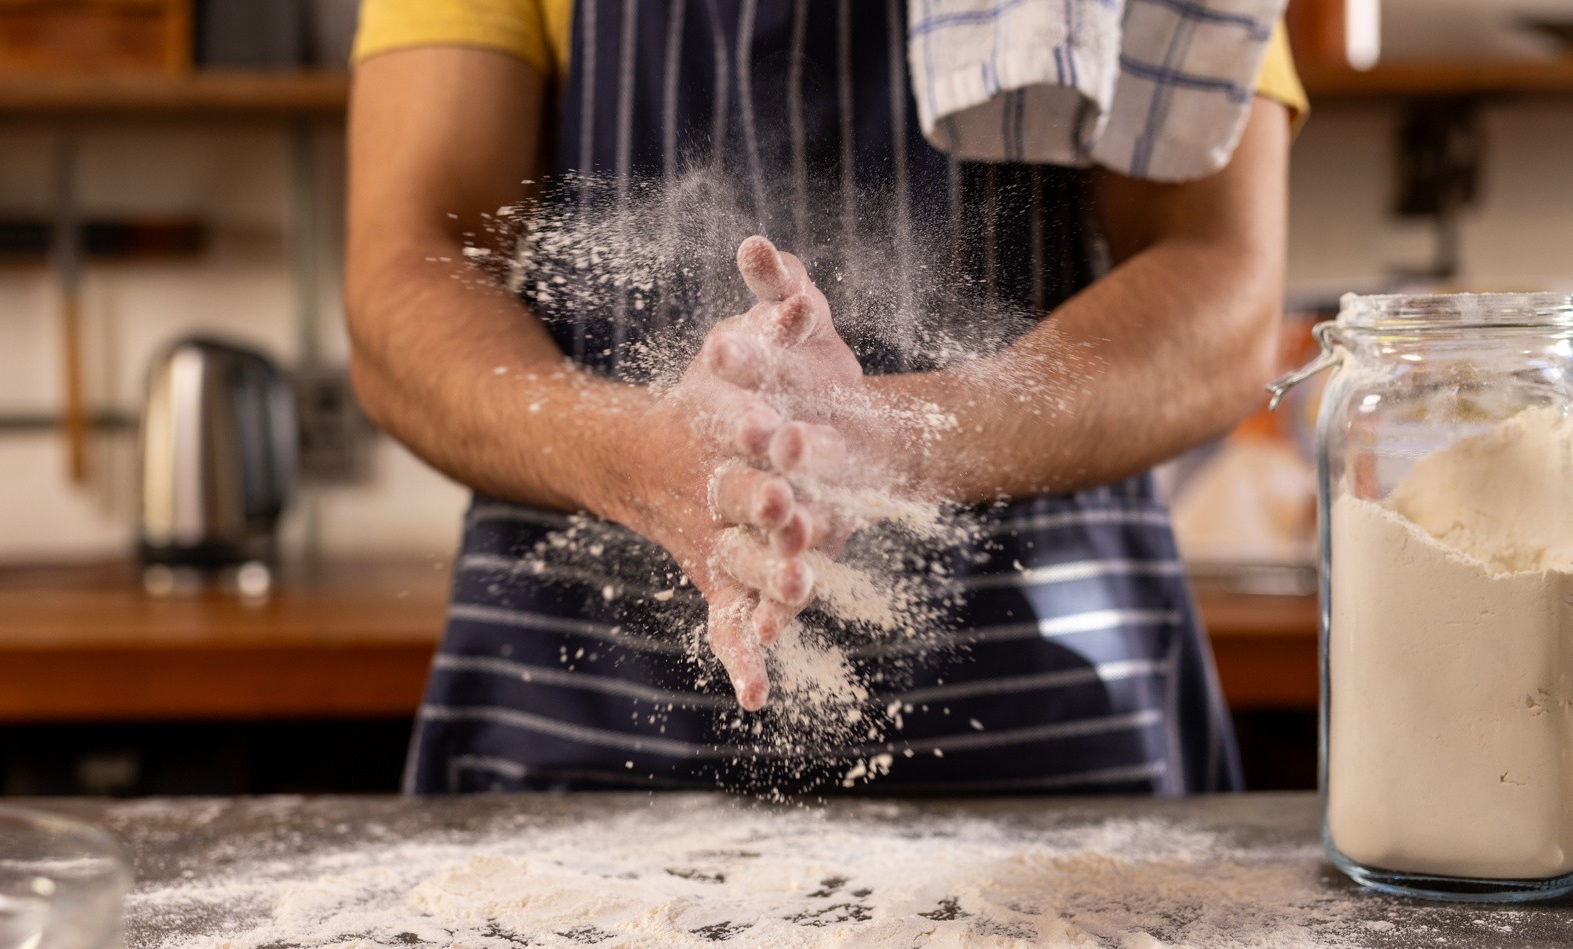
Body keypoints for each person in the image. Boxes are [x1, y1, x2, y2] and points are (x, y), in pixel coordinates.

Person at [344, 0, 1307, 795]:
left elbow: (1219, 276)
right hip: (575, 723)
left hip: (1046, 723)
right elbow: (403, 270)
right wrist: (639, 458)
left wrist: (897, 439)